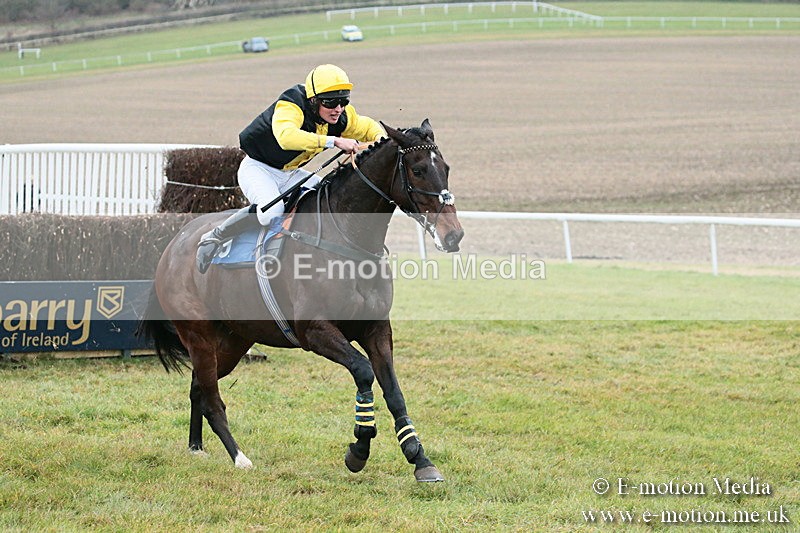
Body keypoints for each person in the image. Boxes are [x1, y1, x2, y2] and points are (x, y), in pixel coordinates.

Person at [196, 64, 386, 273]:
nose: (338, 109)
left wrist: (380, 141)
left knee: (327, 197)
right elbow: (286, 137)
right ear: (313, 100)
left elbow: (367, 127)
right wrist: (334, 141)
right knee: (271, 213)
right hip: (258, 169)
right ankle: (217, 235)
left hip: (290, 174)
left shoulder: (340, 116)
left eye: (343, 101)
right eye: (331, 102)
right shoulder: (291, 104)